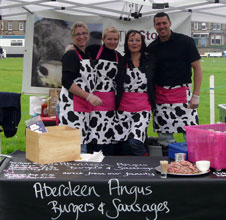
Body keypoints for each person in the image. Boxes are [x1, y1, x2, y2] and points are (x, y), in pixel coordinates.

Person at [147, 12, 203, 148]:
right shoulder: (151, 48)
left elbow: (197, 68)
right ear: (154, 26)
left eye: (164, 23)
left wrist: (196, 95)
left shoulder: (186, 42)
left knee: (192, 137)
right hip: (161, 98)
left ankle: (193, 166)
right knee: (165, 139)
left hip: (184, 96)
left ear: (170, 23)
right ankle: (168, 164)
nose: (162, 26)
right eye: (158, 24)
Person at [59, 22, 102, 153]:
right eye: (77, 34)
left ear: (88, 35)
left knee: (82, 142)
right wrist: (88, 96)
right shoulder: (71, 55)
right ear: (72, 37)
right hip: (72, 107)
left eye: (84, 33)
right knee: (75, 146)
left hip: (83, 107)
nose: (81, 36)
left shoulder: (86, 54)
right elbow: (66, 81)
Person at [115, 30, 156, 156]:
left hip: (143, 108)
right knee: (124, 145)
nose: (134, 43)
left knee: (135, 141)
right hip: (123, 108)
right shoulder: (121, 61)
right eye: (131, 40)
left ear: (142, 43)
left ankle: (146, 163)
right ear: (126, 43)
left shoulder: (149, 60)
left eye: (137, 40)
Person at [85, 27, 122, 155]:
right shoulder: (93, 50)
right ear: (103, 39)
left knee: (106, 134)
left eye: (115, 39)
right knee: (92, 134)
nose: (112, 42)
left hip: (110, 102)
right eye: (109, 39)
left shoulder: (119, 57)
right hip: (93, 100)